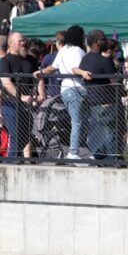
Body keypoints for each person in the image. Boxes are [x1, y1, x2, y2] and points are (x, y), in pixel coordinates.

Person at [39, 25, 88, 161]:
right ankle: (74, 152)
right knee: (78, 122)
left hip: (64, 89)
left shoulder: (63, 50)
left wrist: (40, 72)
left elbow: (53, 68)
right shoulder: (78, 51)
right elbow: (75, 68)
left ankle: (79, 150)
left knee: (77, 122)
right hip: (76, 88)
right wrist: (83, 72)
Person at [78, 29, 118, 161]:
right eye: (103, 39)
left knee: (106, 134)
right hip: (108, 103)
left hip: (93, 104)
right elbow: (115, 82)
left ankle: (96, 156)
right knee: (113, 135)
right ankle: (114, 162)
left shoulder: (84, 59)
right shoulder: (104, 61)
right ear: (96, 42)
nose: (106, 41)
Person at [0, 32, 38, 160]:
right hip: (10, 104)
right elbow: (6, 83)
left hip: (27, 105)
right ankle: (11, 162)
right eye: (20, 41)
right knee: (15, 134)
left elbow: (39, 78)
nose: (23, 43)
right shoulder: (5, 61)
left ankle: (20, 161)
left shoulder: (31, 59)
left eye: (24, 40)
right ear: (11, 43)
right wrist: (21, 96)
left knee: (26, 136)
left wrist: (41, 93)